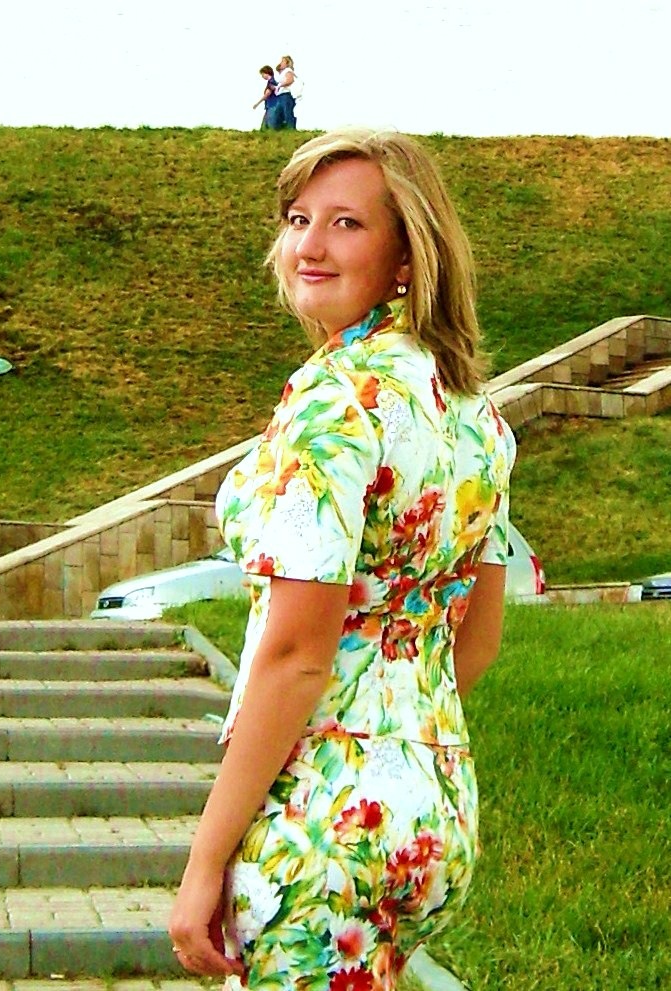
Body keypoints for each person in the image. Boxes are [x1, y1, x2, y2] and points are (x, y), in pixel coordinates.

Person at [169, 127, 516, 990]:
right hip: (433, 803)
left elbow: (296, 653)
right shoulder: (473, 414)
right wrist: (392, 748)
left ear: (406, 257)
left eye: (346, 223)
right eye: (298, 219)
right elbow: (477, 638)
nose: (309, 246)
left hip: (321, 819)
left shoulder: (333, 400)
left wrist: (204, 859)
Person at [252, 65, 280, 130]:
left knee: (269, 126)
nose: (262, 76)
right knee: (265, 126)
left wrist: (257, 103)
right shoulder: (273, 82)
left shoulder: (271, 82)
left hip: (272, 105)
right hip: (272, 105)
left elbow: (267, 94)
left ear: (267, 73)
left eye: (262, 74)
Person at [274, 54, 297, 129]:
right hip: (281, 95)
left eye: (283, 61)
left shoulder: (288, 70)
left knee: (287, 113)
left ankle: (290, 129)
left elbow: (290, 80)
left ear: (287, 63)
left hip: (285, 95)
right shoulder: (283, 72)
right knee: (280, 113)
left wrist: (279, 86)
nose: (281, 63)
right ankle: (282, 129)